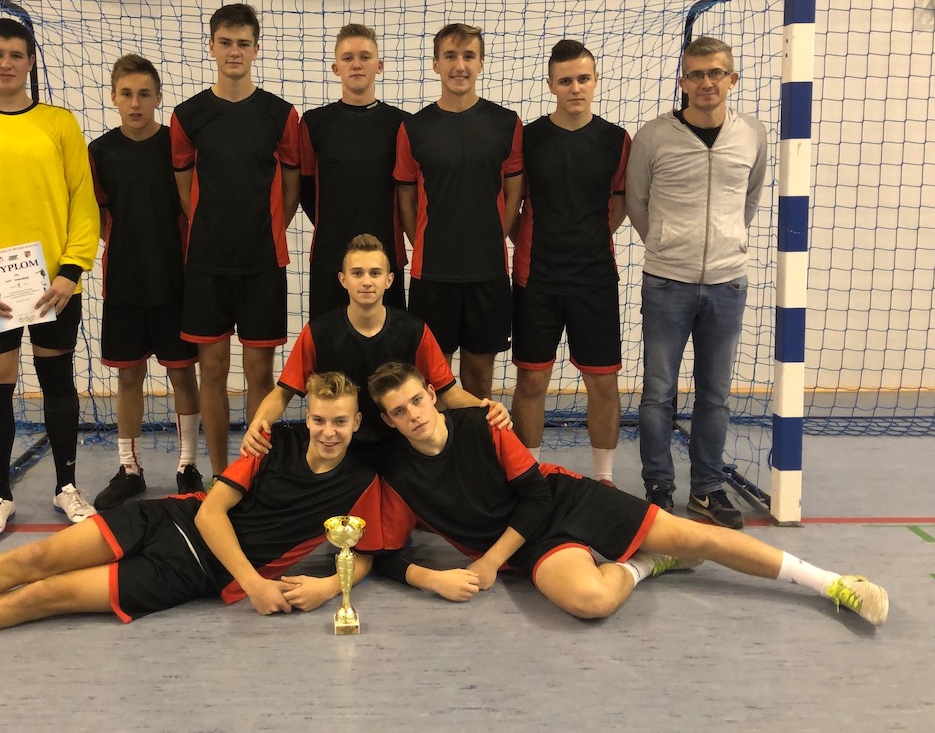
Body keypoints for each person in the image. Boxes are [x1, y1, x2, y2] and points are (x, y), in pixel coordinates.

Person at [0, 372, 384, 657]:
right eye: (319, 418)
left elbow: (375, 553)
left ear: (357, 423)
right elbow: (211, 514)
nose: (328, 431)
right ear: (307, 416)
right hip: (171, 519)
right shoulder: (272, 441)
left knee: (41, 597)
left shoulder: (362, 482)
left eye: (341, 421)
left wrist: (328, 587)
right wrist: (255, 583)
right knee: (33, 557)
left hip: (188, 574)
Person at [366, 362, 888, 627]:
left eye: (417, 401)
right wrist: (433, 578)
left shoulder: (485, 424)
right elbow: (382, 552)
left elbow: (537, 499)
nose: (413, 415)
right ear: (389, 421)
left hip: (561, 500)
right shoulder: (398, 476)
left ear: (432, 394)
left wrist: (488, 562)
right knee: (590, 602)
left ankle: (832, 583)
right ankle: (644, 566)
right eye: (398, 412)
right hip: (533, 547)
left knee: (697, 537)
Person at [0, 17, 100, 542]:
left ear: (30, 62)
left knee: (57, 379)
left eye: (16, 54)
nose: (6, 63)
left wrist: (70, 272)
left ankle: (66, 486)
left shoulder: (59, 122)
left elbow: (83, 201)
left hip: (53, 284)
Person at [624, 36, 768, 528]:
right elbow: (636, 201)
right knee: (657, 392)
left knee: (715, 394)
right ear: (682, 81)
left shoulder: (752, 135)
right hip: (667, 283)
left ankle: (706, 489)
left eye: (716, 73)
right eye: (696, 74)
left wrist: (728, 242)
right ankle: (658, 487)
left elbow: (749, 198)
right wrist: (666, 244)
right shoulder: (653, 136)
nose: (706, 82)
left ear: (732, 78)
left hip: (728, 285)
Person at [170, 4, 301, 477]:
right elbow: (185, 188)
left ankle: (253, 474)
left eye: (243, 43)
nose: (234, 51)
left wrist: (263, 229)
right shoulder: (188, 116)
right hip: (207, 264)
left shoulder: (280, 115)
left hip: (263, 262)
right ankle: (221, 474)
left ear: (256, 49)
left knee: (260, 374)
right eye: (225, 42)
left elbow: (291, 188)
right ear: (211, 47)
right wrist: (213, 227)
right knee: (212, 371)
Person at [239, 234, 509, 458]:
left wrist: (486, 407)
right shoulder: (319, 332)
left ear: (388, 280)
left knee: (486, 425)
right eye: (357, 273)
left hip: (401, 445)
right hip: (341, 447)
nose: (366, 281)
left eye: (375, 273)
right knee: (263, 451)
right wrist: (257, 425)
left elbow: (447, 393)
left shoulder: (414, 330)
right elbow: (282, 394)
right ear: (343, 280)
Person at [511, 40, 630, 481]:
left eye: (583, 79)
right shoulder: (529, 138)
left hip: (595, 279)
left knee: (602, 382)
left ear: (596, 80)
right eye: (565, 81)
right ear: (551, 85)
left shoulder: (617, 140)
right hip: (536, 278)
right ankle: (529, 476)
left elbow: (619, 204)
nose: (575, 88)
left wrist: (588, 240)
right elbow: (513, 204)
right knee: (532, 382)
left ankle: (604, 479)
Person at [87, 54, 203, 509]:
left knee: (182, 374)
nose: (135, 103)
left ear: (158, 98)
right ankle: (129, 469)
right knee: (129, 376)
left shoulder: (177, 145)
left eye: (144, 94)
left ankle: (187, 466)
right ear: (113, 97)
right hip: (125, 284)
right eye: (126, 94)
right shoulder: (100, 152)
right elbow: (98, 214)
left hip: (176, 282)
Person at [394, 23, 523, 399]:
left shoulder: (506, 124)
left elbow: (514, 192)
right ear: (436, 64)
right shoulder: (414, 128)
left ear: (481, 63)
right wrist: (425, 242)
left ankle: (477, 439)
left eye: (469, 56)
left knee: (479, 377)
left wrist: (492, 237)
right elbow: (406, 200)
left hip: (488, 272)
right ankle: (435, 440)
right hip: (433, 273)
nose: (460, 65)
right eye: (450, 56)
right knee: (429, 380)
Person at [299, 24, 410, 318]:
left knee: (388, 346)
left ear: (379, 65)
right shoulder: (313, 123)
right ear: (336, 68)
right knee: (329, 344)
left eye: (365, 57)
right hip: (330, 258)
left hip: (385, 259)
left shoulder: (403, 124)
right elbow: (305, 188)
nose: (356, 64)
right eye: (348, 58)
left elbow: (410, 192)